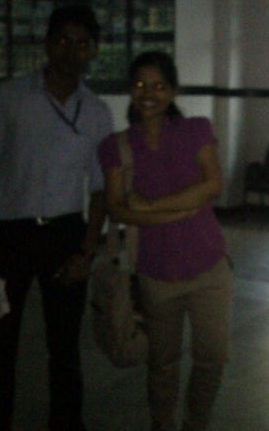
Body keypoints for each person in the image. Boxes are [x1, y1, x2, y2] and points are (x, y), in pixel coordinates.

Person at [0, 4, 114, 430]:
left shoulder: (96, 111)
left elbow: (100, 189)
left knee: (64, 348)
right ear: (47, 43)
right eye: (63, 40)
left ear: (93, 51)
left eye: (82, 43)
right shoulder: (7, 98)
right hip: (8, 238)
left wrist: (87, 251)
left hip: (65, 236)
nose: (71, 51)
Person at [97, 51, 233, 431]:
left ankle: (196, 424)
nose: (149, 93)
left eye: (159, 86)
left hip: (209, 267)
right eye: (141, 84)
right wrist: (180, 210)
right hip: (156, 272)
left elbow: (213, 186)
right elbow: (117, 209)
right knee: (162, 363)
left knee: (212, 357)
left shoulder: (196, 130)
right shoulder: (116, 146)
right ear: (131, 89)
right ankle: (162, 424)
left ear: (173, 91)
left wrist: (153, 206)